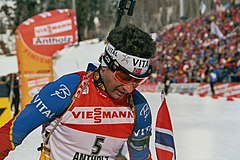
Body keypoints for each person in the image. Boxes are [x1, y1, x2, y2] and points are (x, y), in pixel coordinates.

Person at [0, 24, 156, 160]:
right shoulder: (68, 90)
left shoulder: (138, 106)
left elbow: (141, 157)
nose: (129, 88)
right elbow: (9, 135)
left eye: (138, 80)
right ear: (105, 64)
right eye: (123, 77)